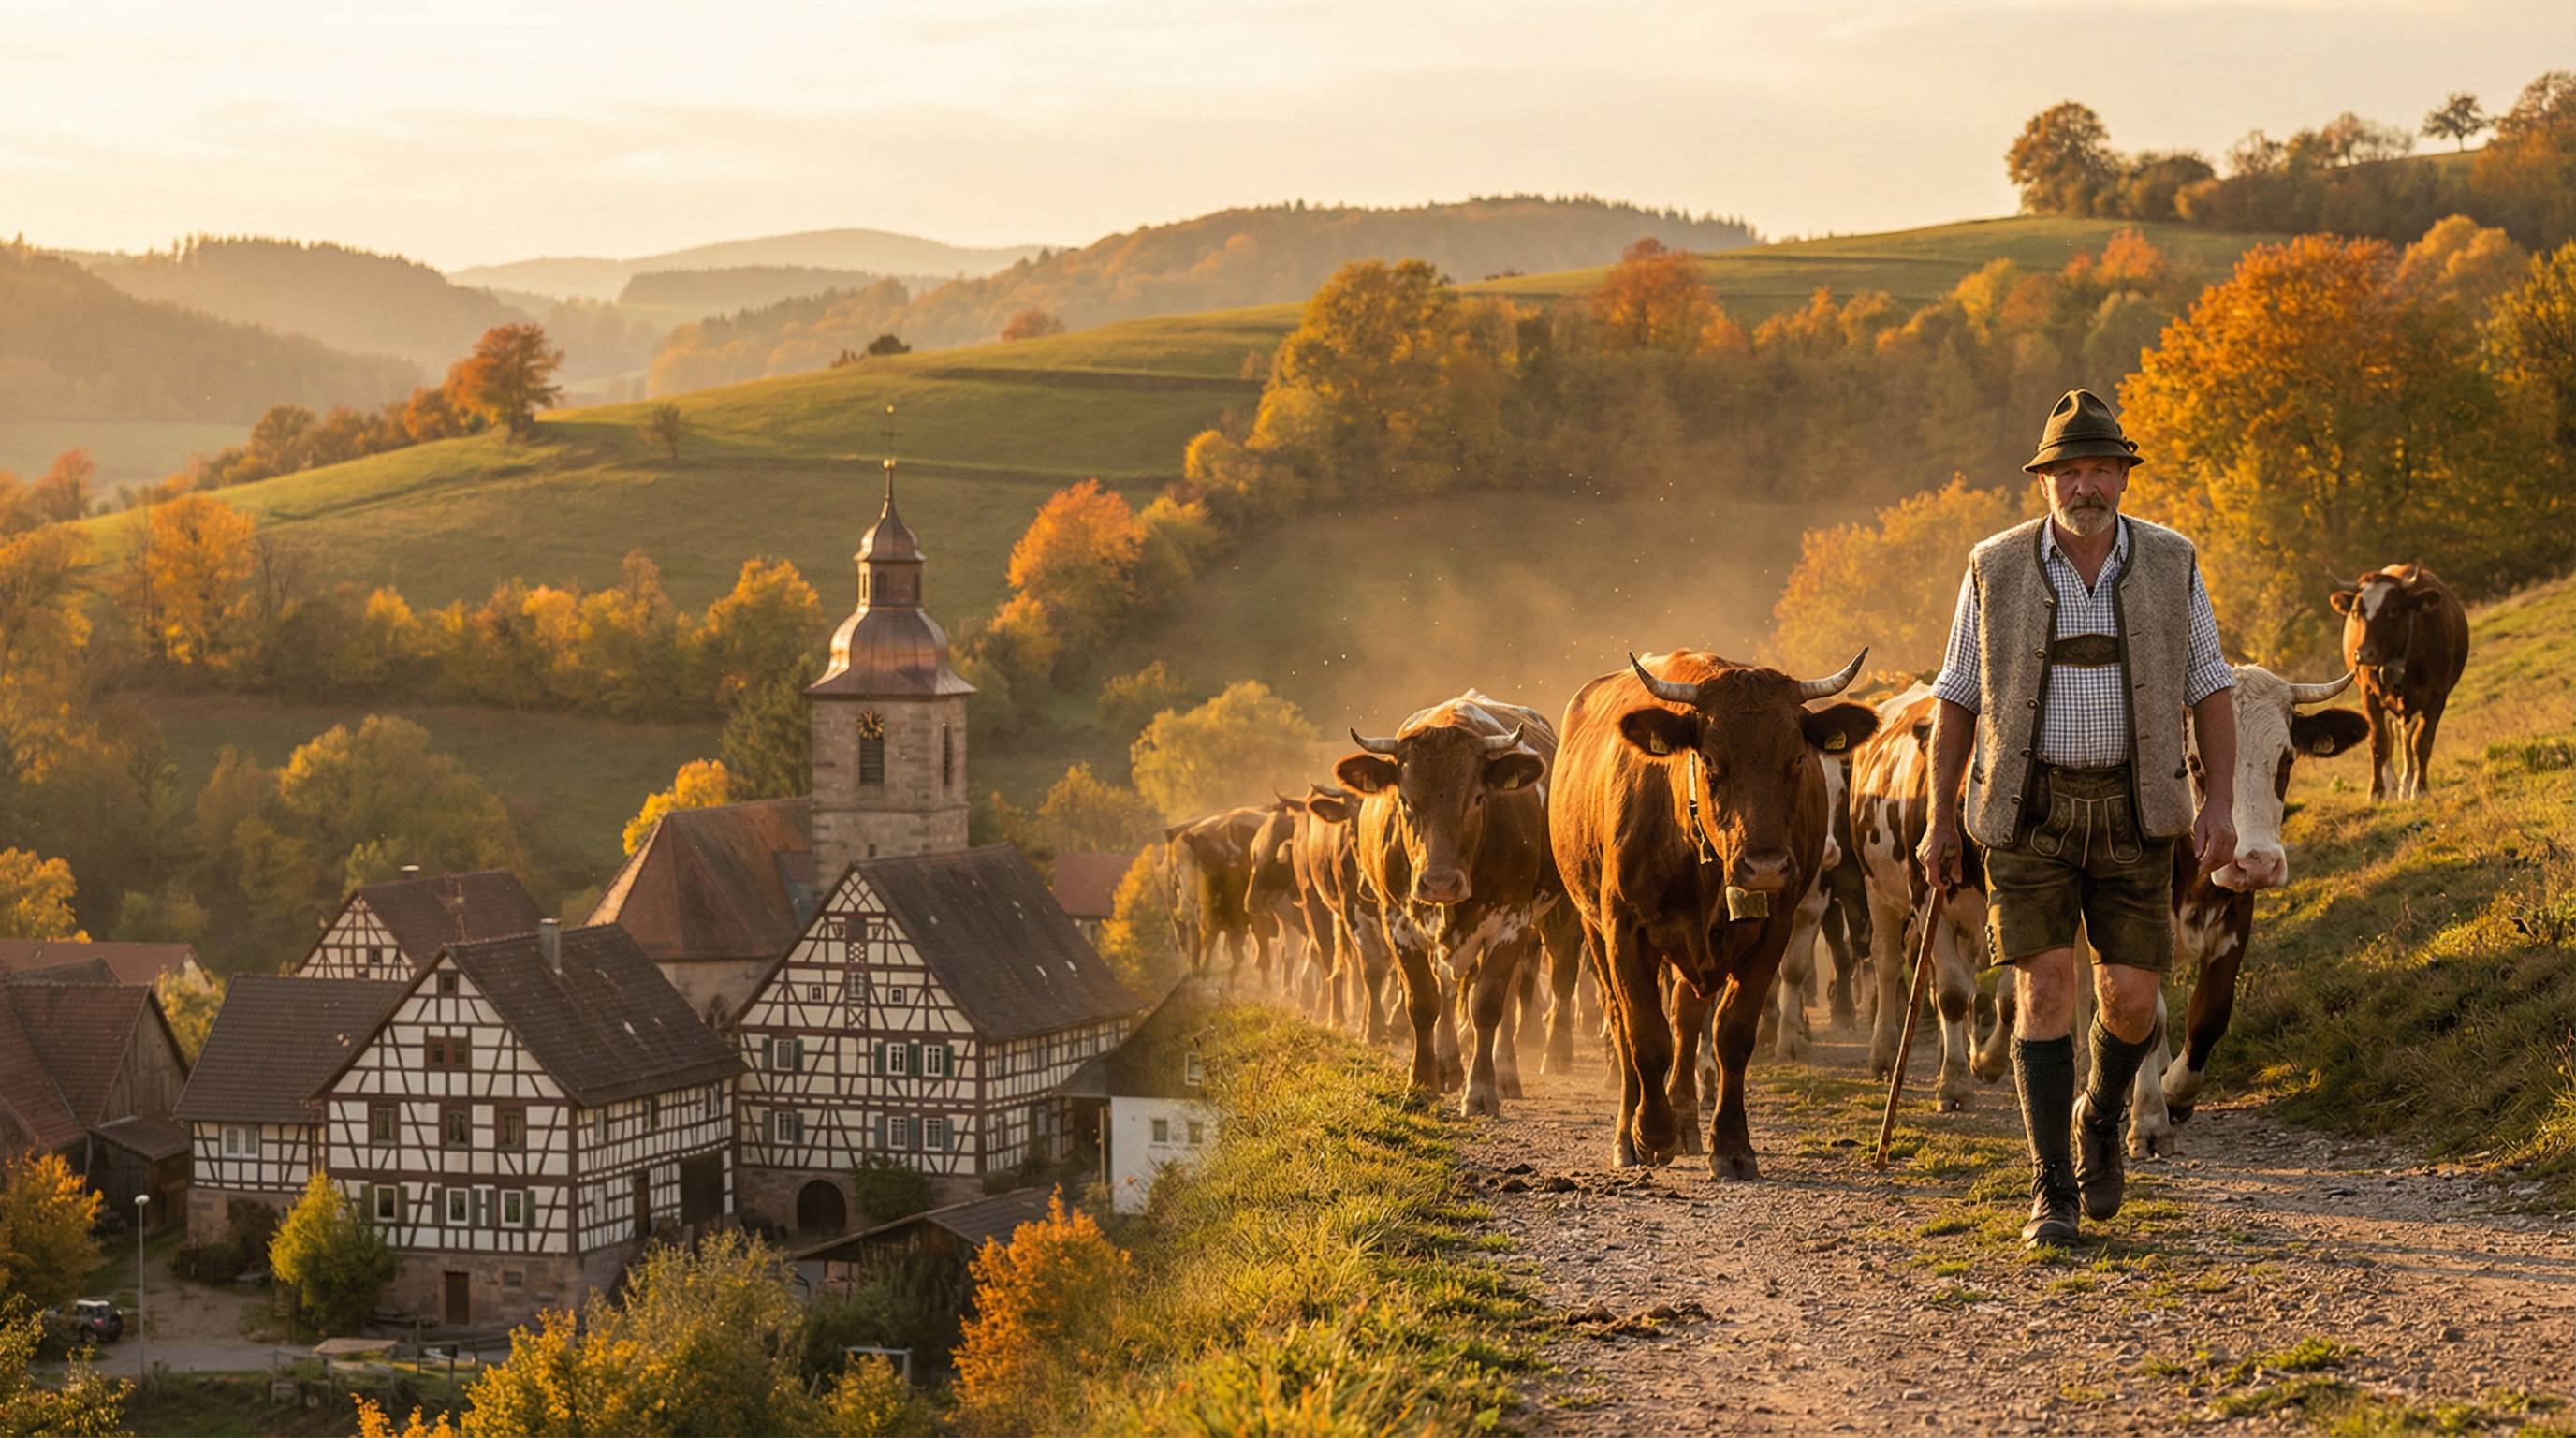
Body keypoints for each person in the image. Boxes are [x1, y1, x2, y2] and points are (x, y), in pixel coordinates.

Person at [1917, 389, 2237, 1248]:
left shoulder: (2174, 562)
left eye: (2102, 469)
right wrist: (1940, 818)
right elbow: (1955, 697)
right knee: (2044, 986)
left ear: (2125, 478)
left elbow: (2210, 685)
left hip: (2139, 810)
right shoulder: (1993, 566)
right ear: (2044, 481)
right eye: (2069, 471)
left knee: (2131, 1000)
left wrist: (2222, 803)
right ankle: (2051, 1188)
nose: (2085, 486)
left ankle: (2100, 1115)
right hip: (2028, 810)